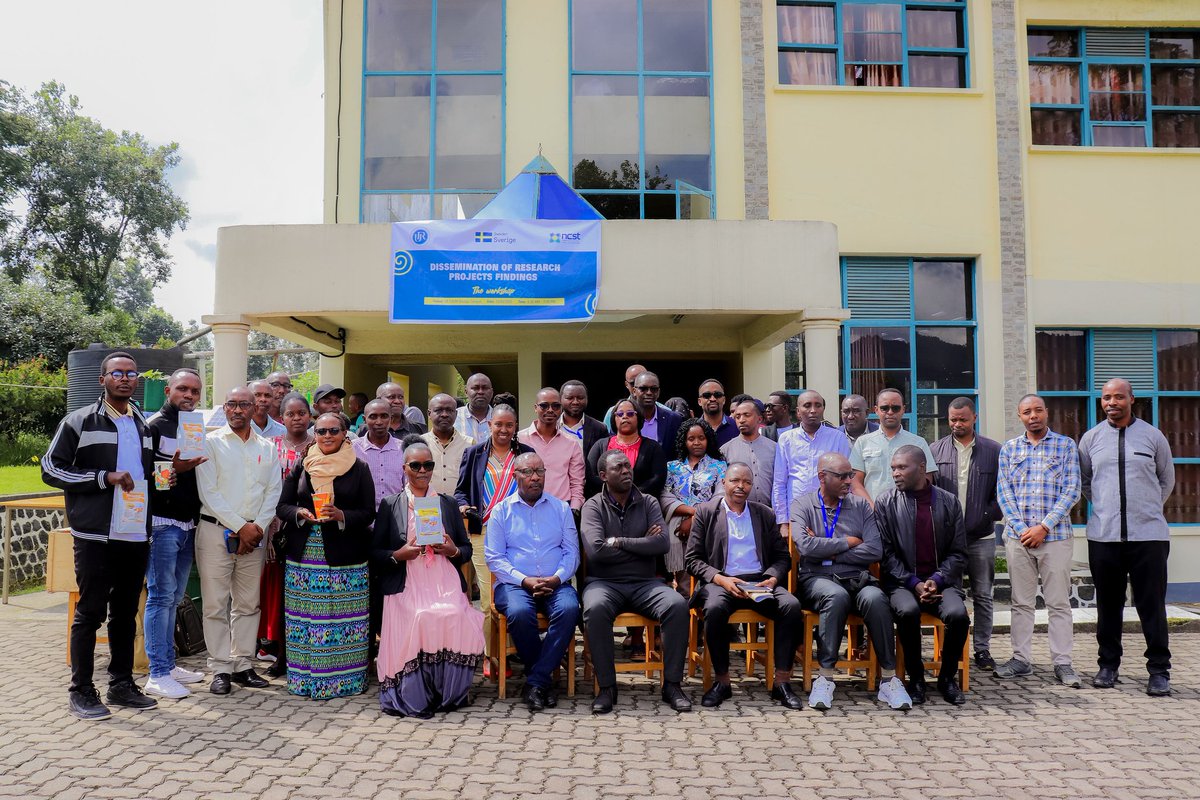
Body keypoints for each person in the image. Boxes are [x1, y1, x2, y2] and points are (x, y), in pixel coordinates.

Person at [43, 351, 159, 720]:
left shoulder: (142, 423)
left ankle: (121, 684)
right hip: (95, 533)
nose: (125, 378)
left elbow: (146, 473)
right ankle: (81, 690)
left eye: (131, 373)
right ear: (102, 379)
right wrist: (102, 478)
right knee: (90, 612)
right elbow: (51, 468)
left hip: (135, 531)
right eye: (116, 373)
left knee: (125, 612)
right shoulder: (79, 421)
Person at [791, 453, 910, 710]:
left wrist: (827, 549)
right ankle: (825, 677)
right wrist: (848, 542)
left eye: (851, 475)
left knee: (876, 598)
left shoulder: (860, 506)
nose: (849, 481)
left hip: (857, 577)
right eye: (842, 476)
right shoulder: (803, 505)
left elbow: (875, 550)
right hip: (817, 578)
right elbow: (805, 545)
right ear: (822, 477)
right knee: (835, 595)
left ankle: (889, 680)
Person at [1079, 379, 1176, 696]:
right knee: (1108, 606)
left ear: (1132, 400)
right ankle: (1108, 665)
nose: (1111, 402)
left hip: (1148, 537)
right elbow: (1086, 482)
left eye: (1119, 397)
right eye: (1106, 397)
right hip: (1104, 538)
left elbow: (1166, 480)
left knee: (1152, 606)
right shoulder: (1091, 439)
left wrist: (1145, 508)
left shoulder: (1152, 437)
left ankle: (1159, 670)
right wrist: (1108, 508)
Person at [373, 441, 483, 717]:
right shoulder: (391, 505)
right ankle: (416, 691)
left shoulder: (446, 504)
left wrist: (452, 550)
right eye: (416, 465)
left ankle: (447, 691)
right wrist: (400, 554)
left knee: (456, 614)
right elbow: (375, 553)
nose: (423, 470)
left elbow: (465, 549)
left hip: (443, 579)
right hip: (407, 580)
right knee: (420, 616)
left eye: (428, 465)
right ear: (404, 468)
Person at [581, 451, 692, 714]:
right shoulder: (593, 505)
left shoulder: (649, 502)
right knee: (595, 609)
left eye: (627, 466)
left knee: (676, 605)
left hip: (645, 582)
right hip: (604, 583)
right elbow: (596, 550)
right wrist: (642, 543)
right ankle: (607, 688)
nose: (626, 470)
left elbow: (662, 543)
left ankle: (673, 685)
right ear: (603, 476)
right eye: (618, 467)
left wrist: (618, 541)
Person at [686, 463, 804, 709]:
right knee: (716, 609)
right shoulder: (706, 512)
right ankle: (722, 682)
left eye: (746, 482)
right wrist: (720, 579)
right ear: (724, 483)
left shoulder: (764, 513)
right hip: (722, 580)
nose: (741, 486)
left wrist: (772, 577)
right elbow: (692, 560)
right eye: (735, 481)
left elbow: (783, 557)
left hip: (759, 580)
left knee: (791, 606)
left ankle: (781, 682)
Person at [275, 412, 376, 698]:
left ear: (346, 433)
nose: (328, 436)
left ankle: (345, 682)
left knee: (345, 620)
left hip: (347, 557)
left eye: (334, 430)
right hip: (305, 556)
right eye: (321, 431)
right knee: (306, 620)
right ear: (314, 434)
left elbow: (369, 512)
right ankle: (307, 681)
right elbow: (282, 506)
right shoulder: (303, 465)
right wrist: (300, 513)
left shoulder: (359, 468)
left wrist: (341, 514)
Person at [195, 386, 283, 696]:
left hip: (254, 536)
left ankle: (244, 664)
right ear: (225, 407)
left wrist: (255, 527)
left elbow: (273, 491)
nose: (237, 410)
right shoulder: (210, 443)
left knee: (248, 604)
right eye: (231, 404)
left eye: (243, 404)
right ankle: (221, 667)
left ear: (255, 407)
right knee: (216, 603)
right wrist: (240, 527)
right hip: (215, 532)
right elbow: (209, 492)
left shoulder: (268, 447)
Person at [995, 394, 1083, 687]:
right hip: (1018, 538)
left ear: (1047, 412)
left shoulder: (1066, 446)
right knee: (1021, 602)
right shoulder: (1009, 449)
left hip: (1055, 537)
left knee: (1058, 602)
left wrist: (1043, 527)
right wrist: (1023, 529)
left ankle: (1063, 663)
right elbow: (1004, 493)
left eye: (1037, 410)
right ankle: (1021, 659)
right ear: (1019, 416)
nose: (1033, 415)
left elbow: (1072, 490)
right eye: (1026, 412)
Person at [485, 452, 581, 711]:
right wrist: (524, 580)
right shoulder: (501, 511)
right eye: (527, 472)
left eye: (539, 471)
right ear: (515, 476)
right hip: (514, 584)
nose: (535, 477)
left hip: (555, 582)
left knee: (570, 609)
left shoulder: (561, 508)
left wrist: (557, 577)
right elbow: (494, 558)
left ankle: (536, 681)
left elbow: (572, 552)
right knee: (518, 611)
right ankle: (542, 679)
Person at [876, 445, 970, 705]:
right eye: (893, 468)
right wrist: (914, 583)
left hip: (942, 582)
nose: (896, 473)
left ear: (921, 468)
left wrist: (937, 580)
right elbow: (885, 554)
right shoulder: (886, 502)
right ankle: (915, 679)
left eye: (902, 467)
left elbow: (959, 552)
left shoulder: (949, 502)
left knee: (958, 616)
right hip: (902, 584)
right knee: (907, 612)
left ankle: (947, 678)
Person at [143, 368, 209, 699]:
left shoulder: (195, 425)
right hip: (162, 523)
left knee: (174, 597)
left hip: (188, 522)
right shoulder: (155, 425)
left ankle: (168, 665)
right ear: (169, 390)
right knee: (159, 596)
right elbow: (146, 478)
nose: (188, 395)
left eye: (194, 391)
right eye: (182, 389)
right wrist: (174, 469)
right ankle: (156, 673)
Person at [455, 404, 534, 674]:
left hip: (519, 534)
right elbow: (461, 492)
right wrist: (464, 507)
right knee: (489, 597)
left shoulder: (526, 454)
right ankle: (491, 654)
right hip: (484, 533)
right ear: (490, 425)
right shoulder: (474, 454)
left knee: (515, 592)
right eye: (498, 424)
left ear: (515, 427)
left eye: (509, 425)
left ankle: (514, 649)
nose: (503, 429)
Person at [930, 397, 1002, 671]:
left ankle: (982, 650)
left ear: (975, 417)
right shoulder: (935, 450)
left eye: (963, 419)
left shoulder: (993, 451)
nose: (957, 424)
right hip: (947, 540)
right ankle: (953, 650)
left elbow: (1001, 493)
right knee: (950, 594)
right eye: (952, 419)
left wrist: (987, 514)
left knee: (983, 594)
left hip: (981, 537)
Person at [260, 392, 314, 677]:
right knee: (282, 596)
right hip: (276, 529)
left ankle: (305, 653)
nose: (296, 418)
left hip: (310, 531)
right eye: (290, 414)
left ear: (309, 416)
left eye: (301, 413)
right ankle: (280, 655)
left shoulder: (319, 445)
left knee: (304, 594)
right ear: (282, 418)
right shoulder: (270, 446)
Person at [661, 418, 727, 597]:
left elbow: (721, 496)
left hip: (709, 527)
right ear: (684, 441)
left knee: (707, 576)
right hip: (678, 529)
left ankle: (704, 620)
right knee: (683, 582)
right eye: (691, 438)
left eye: (701, 438)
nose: (696, 442)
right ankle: (686, 620)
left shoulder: (719, 466)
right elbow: (665, 496)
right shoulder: (672, 467)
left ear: (708, 440)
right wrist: (691, 513)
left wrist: (695, 519)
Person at [773, 390, 851, 534]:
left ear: (823, 410)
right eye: (807, 405)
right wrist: (783, 521)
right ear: (798, 411)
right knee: (798, 556)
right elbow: (779, 481)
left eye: (818, 405)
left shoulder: (838, 438)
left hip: (831, 512)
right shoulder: (786, 439)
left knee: (831, 553)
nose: (813, 410)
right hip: (796, 512)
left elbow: (846, 480)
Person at [850, 389, 936, 503]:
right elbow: (855, 482)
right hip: (872, 512)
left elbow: (926, 479)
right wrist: (872, 508)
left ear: (903, 410)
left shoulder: (918, 443)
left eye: (895, 408)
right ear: (876, 410)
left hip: (908, 513)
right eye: (884, 408)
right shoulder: (862, 442)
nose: (890, 412)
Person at [517, 387, 585, 516]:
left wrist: (574, 508)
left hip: (561, 510)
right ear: (535, 407)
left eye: (555, 406)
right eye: (544, 405)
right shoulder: (520, 439)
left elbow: (577, 482)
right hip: (525, 510)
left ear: (561, 409)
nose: (550, 410)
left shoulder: (571, 443)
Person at [585, 398, 669, 499]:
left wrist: (630, 496)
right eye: (620, 414)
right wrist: (613, 495)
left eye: (630, 414)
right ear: (614, 419)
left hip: (641, 504)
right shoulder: (600, 445)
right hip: (605, 504)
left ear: (638, 418)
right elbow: (591, 476)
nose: (625, 417)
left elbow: (657, 480)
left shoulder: (653, 448)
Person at [721, 398, 777, 507]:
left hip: (770, 514)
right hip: (739, 513)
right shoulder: (725, 450)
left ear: (759, 419)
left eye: (747, 415)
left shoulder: (774, 448)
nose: (741, 420)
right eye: (738, 417)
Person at [353, 399, 406, 506]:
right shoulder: (352, 449)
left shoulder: (404, 448)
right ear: (364, 419)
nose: (379, 422)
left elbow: (409, 487)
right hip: (363, 518)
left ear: (391, 419)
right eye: (373, 417)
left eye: (384, 416)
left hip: (395, 516)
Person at [422, 393, 474, 497]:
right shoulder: (420, 443)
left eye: (449, 410)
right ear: (429, 414)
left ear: (456, 414)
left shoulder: (470, 444)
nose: (444, 414)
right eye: (438, 410)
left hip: (459, 507)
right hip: (427, 506)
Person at [602, 363, 670, 428]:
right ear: (626, 384)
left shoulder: (667, 414)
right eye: (633, 383)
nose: (637, 385)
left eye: (643, 382)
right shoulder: (614, 412)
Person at [631, 371, 684, 452]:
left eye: (654, 389)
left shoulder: (673, 419)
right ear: (634, 391)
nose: (649, 392)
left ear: (658, 392)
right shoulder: (626, 418)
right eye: (643, 388)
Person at [558, 379, 609, 456]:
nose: (575, 402)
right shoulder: (551, 426)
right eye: (569, 398)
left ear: (587, 399)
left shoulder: (599, 428)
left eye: (580, 398)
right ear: (560, 399)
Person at [697, 379, 738, 446]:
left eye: (717, 395)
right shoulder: (692, 430)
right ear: (699, 402)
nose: (712, 399)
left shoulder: (737, 427)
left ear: (724, 400)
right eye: (707, 395)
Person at [455, 372, 495, 441]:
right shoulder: (454, 417)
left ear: (491, 392)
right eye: (475, 388)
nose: (480, 392)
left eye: (485, 388)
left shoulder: (500, 418)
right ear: (466, 392)